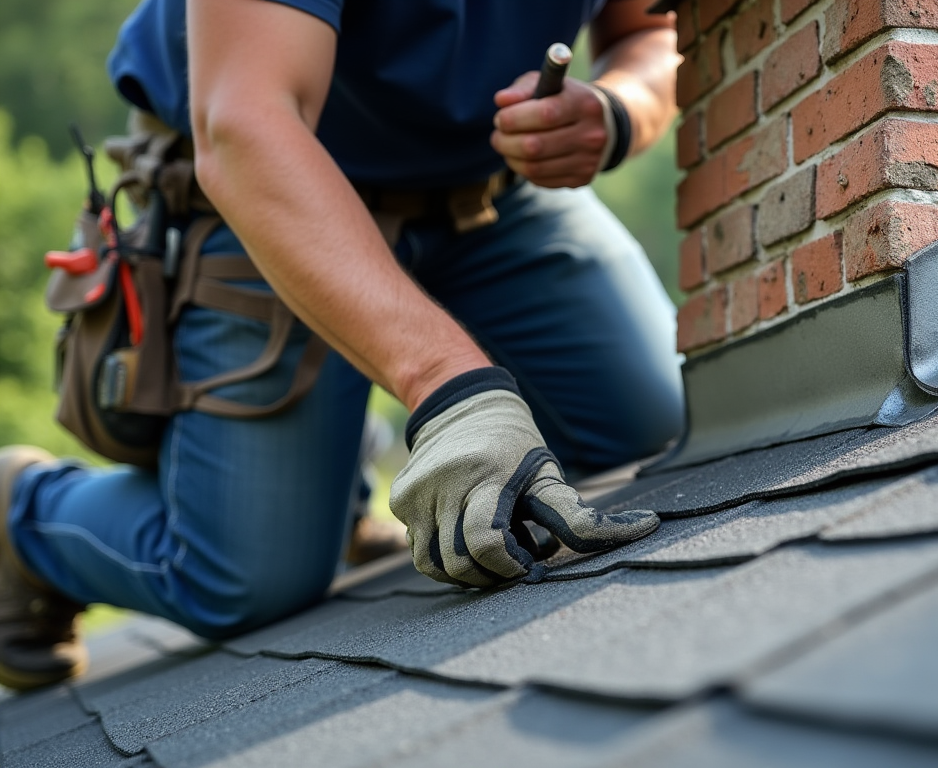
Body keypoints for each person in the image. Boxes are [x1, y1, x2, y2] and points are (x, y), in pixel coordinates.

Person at [0, 0, 684, 690]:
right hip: (271, 183)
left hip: (493, 194)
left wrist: (618, 109)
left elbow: (649, 31)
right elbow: (244, 122)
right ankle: (24, 514)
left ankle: (334, 469)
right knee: (243, 581)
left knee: (666, 425)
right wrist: (449, 388)